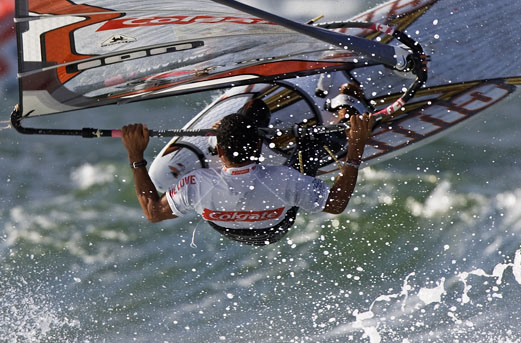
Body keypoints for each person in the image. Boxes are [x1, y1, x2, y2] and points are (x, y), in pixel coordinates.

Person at [120, 101, 372, 245]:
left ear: (218, 150)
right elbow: (337, 204)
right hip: (276, 226)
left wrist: (135, 155)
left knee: (252, 115)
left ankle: (239, 133)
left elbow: (152, 212)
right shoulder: (284, 179)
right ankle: (348, 106)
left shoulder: (194, 184)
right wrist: (355, 149)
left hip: (228, 230)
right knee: (313, 145)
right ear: (256, 145)